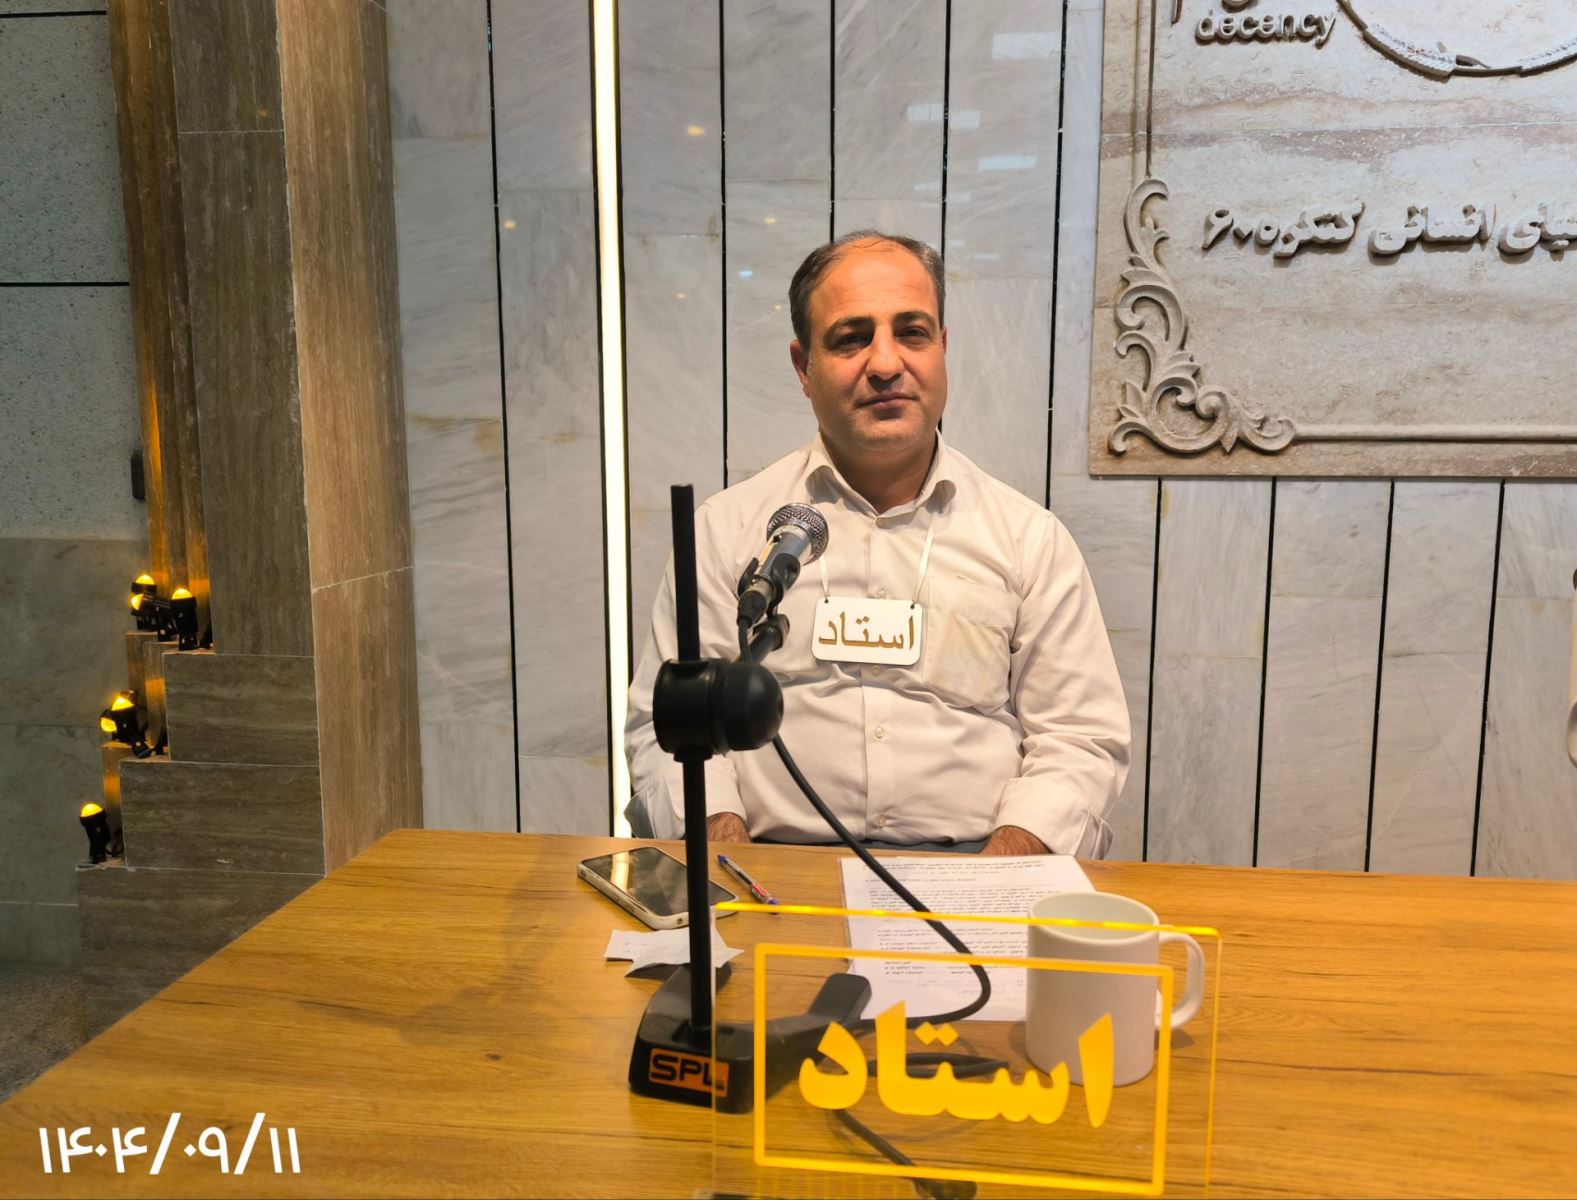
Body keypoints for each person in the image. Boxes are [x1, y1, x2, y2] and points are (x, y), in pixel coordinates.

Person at [625, 230, 1129, 856]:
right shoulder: (728, 529)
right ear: (804, 367)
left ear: (942, 348)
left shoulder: (1030, 539)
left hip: (977, 868)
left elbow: (1080, 739)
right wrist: (730, 862)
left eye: (912, 333)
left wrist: (995, 878)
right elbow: (668, 729)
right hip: (767, 867)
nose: (886, 364)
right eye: (851, 338)